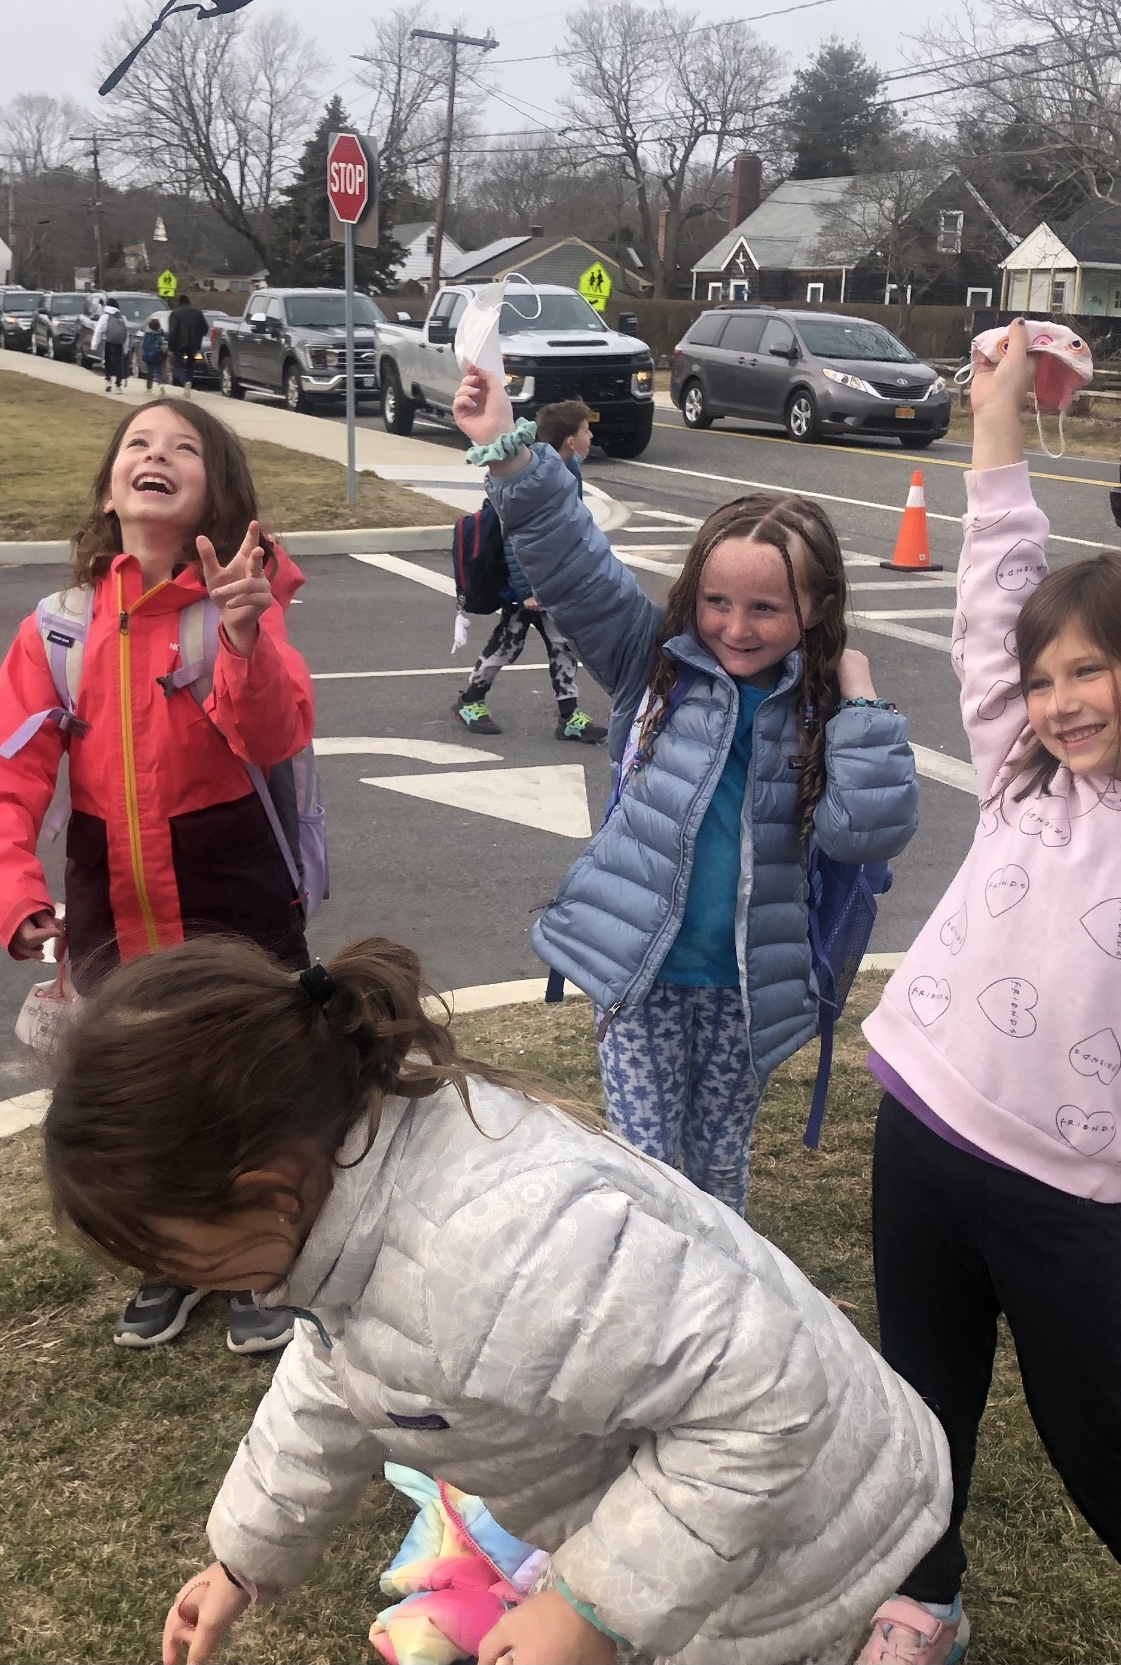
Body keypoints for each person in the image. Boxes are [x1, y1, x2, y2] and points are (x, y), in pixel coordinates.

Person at [42, 932, 952, 1665]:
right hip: (711, 1512)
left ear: (267, 1187)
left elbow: (768, 1400)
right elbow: (334, 1380)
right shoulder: (350, 1200)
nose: (182, 1274)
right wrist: (243, 1556)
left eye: (168, 1250)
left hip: (803, 1527)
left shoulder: (489, 1254)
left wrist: (592, 1605)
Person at [851, 316, 1121, 1665]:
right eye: (1042, 678)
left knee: (1090, 1432)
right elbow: (994, 574)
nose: (1061, 700)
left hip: (1061, 1193)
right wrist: (998, 415)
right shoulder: (1025, 774)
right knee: (919, 1405)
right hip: (920, 1132)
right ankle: (923, 1596)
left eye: (1090, 671)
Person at [453, 365, 917, 1214]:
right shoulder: (651, 665)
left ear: (815, 609)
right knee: (644, 1166)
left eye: (767, 609)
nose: (737, 627)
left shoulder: (824, 710)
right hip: (643, 974)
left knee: (717, 1171)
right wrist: (509, 453)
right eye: (717, 601)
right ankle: (650, 1306)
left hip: (750, 989)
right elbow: (577, 565)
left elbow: (865, 833)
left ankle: (716, 1311)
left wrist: (859, 702)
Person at [0, 397, 314, 1359]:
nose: (156, 454)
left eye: (184, 447)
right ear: (110, 484)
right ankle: (173, 1251)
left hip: (232, 882)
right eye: (138, 442)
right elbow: (12, 780)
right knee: (143, 1082)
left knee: (250, 1073)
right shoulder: (57, 630)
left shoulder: (242, 604)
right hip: (109, 897)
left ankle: (264, 1255)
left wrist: (245, 642)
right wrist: (19, 894)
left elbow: (273, 733)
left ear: (217, 490)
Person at [454, 398, 607, 744]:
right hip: (525, 584)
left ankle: (570, 717)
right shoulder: (533, 472)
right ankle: (469, 701)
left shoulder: (570, 469)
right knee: (508, 644)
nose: (590, 435)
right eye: (586, 429)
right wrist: (527, 591)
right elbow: (516, 539)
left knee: (562, 643)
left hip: (553, 581)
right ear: (570, 439)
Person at [167, 293, 209, 392]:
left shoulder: (175, 314)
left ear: (179, 303)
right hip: (194, 344)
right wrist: (198, 337)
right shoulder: (198, 313)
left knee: (178, 365)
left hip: (179, 344)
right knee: (191, 365)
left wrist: (170, 347)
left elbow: (173, 332)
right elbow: (205, 329)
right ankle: (189, 381)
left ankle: (185, 381)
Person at [91, 297, 129, 393]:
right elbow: (126, 333)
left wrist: (94, 345)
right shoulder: (122, 317)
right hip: (119, 343)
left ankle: (108, 380)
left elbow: (98, 331)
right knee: (118, 363)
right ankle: (118, 385)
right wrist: (126, 348)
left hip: (108, 341)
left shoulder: (105, 316)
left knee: (108, 362)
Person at [141, 315, 168, 390]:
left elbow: (143, 345)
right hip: (158, 356)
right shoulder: (160, 335)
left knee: (150, 373)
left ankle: (149, 388)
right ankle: (161, 385)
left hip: (149, 357)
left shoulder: (147, 335)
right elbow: (164, 346)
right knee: (159, 372)